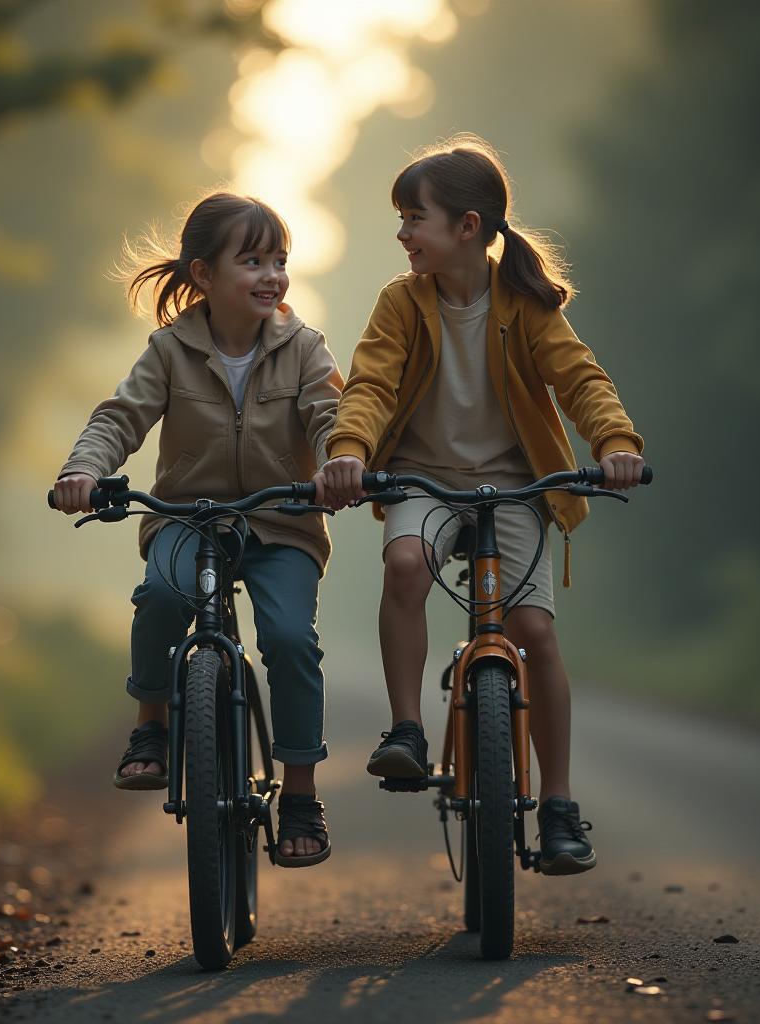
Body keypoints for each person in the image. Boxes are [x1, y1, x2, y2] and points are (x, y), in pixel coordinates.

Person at [320, 135, 645, 875]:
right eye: (401, 219)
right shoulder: (401, 302)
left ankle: (557, 803)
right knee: (405, 565)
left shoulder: (525, 305)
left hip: (515, 484)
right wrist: (350, 453)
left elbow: (579, 379)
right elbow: (370, 383)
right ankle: (406, 729)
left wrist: (614, 442)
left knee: (534, 629)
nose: (402, 233)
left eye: (414, 217)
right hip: (423, 480)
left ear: (467, 227)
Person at [53, 193, 343, 867]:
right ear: (204, 275)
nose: (272, 275)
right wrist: (82, 471)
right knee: (160, 597)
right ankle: (150, 728)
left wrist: (342, 465)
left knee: (292, 641)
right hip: (190, 516)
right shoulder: (169, 350)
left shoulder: (304, 348)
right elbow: (119, 418)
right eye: (252, 260)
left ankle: (299, 794)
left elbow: (333, 416)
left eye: (280, 260)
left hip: (281, 522)